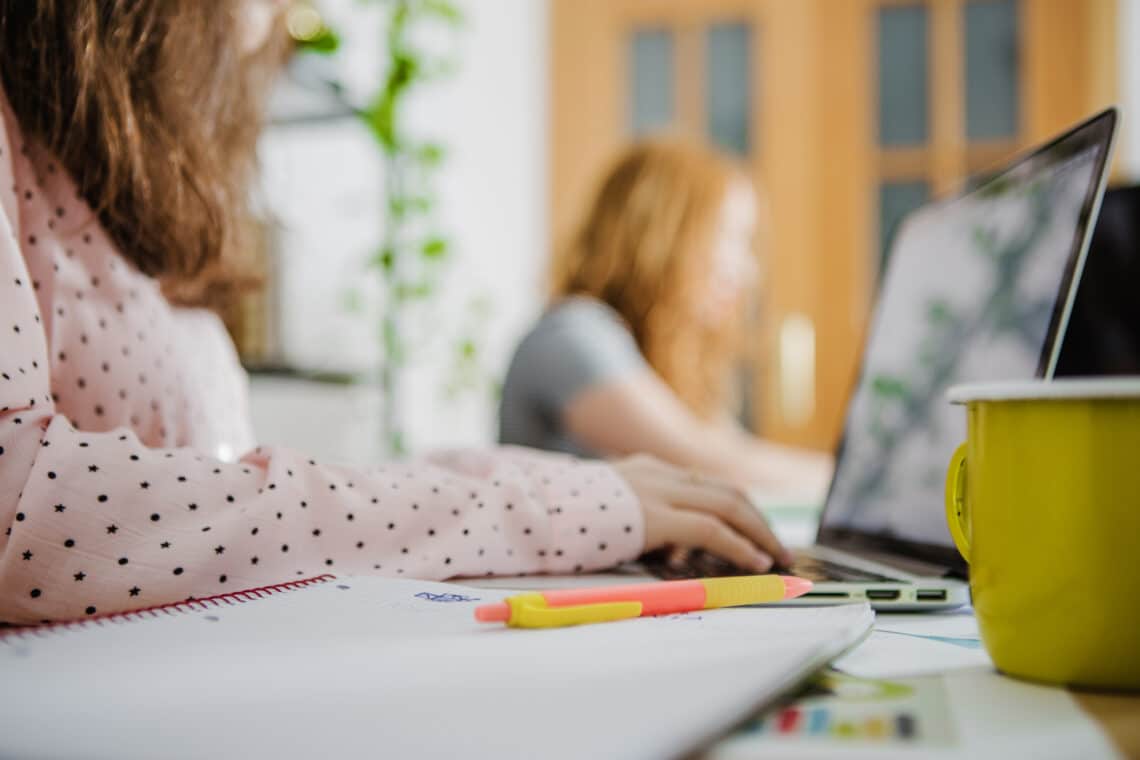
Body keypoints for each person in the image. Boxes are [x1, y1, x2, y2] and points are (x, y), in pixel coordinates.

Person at [0, 1, 787, 625]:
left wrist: (547, 493)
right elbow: (25, 503)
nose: (281, 19)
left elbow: (233, 486)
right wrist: (551, 505)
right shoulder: (575, 335)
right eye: (732, 241)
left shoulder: (96, 172)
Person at [500, 140, 832, 494]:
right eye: (729, 237)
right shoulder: (571, 335)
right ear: (661, 238)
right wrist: (851, 485)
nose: (748, 271)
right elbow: (708, 464)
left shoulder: (658, 352)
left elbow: (733, 450)